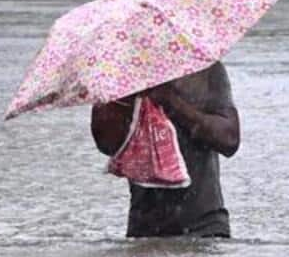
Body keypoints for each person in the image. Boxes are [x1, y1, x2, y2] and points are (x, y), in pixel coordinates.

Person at [90, 65, 239, 238]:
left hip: (206, 226)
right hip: (144, 230)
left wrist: (171, 102)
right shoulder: (121, 76)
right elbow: (107, 145)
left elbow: (229, 140)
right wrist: (126, 99)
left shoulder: (205, 70)